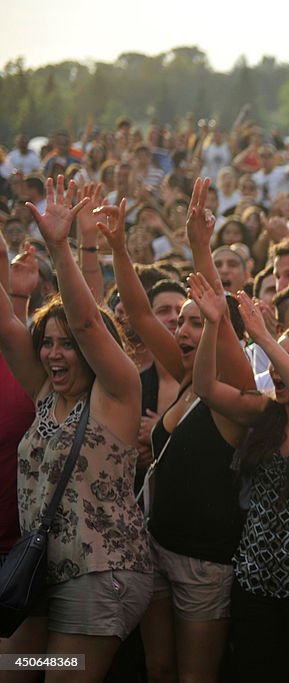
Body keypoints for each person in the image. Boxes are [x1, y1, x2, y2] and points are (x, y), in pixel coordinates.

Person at [101, 178, 255, 683]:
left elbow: (222, 321)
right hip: (156, 546)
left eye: (196, 322)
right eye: (183, 322)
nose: (183, 331)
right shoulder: (189, 374)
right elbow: (142, 314)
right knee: (158, 667)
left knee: (195, 678)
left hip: (205, 562)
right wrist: (120, 248)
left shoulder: (233, 386)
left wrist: (200, 247)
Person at [0, 177, 153, 678]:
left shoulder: (116, 393)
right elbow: (5, 322)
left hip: (98, 574)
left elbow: (89, 322)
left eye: (67, 344)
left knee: (62, 674)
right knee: (16, 668)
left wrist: (60, 247)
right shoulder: (47, 392)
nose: (54, 353)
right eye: (47, 342)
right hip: (39, 571)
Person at [186, 272, 289, 682]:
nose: (279, 371)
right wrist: (211, 325)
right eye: (278, 362)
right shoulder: (264, 413)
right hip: (253, 578)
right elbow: (205, 386)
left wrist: (266, 341)